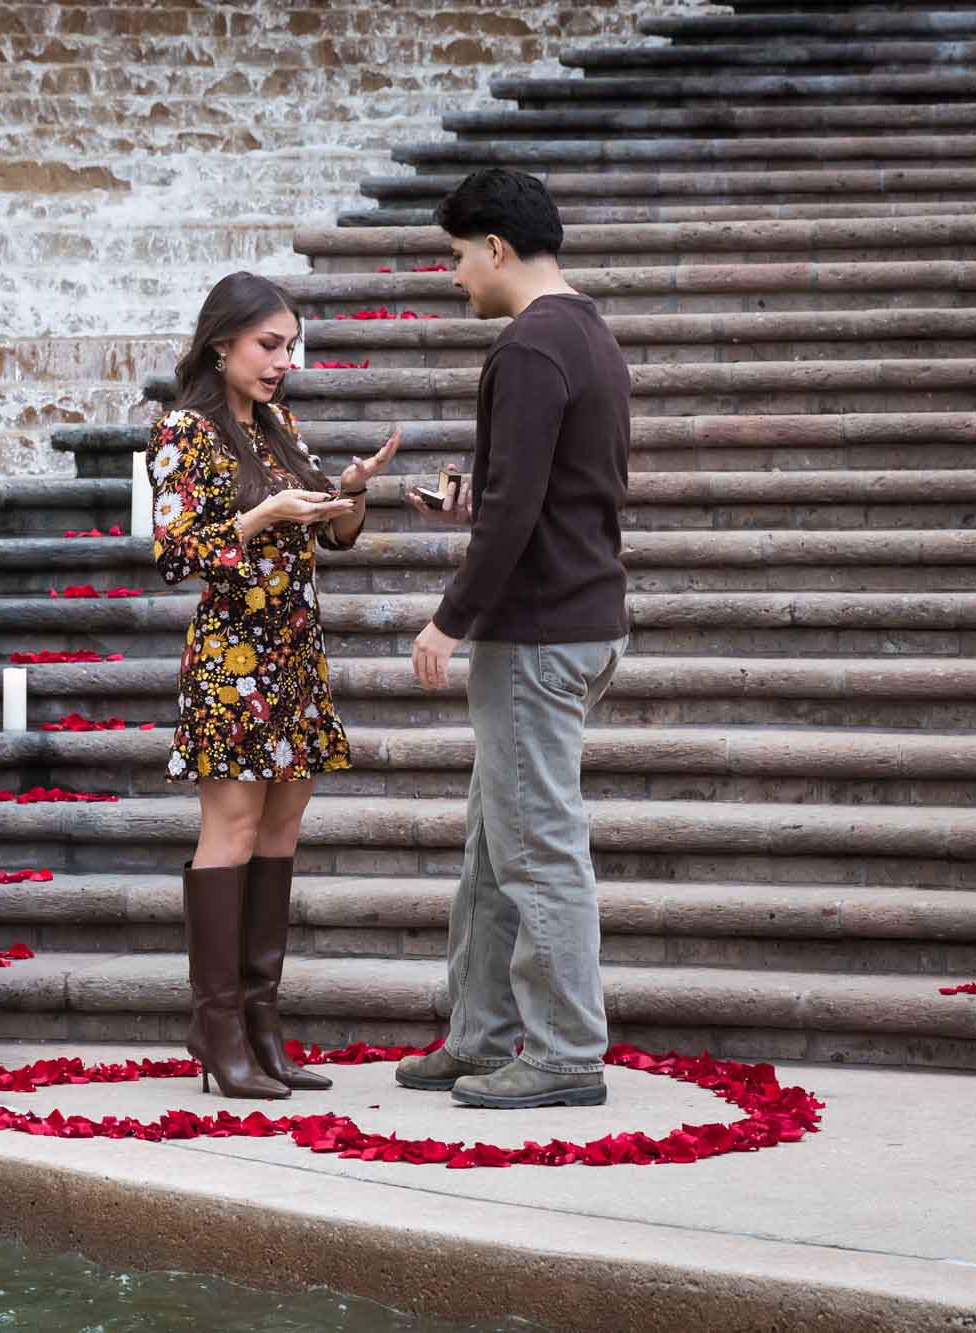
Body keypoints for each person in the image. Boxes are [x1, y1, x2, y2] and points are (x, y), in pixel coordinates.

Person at [394, 168, 632, 1109]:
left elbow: (521, 511)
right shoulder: (589, 334)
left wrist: (448, 618)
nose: (455, 277)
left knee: (536, 848)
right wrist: (471, 494)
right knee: (495, 845)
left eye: (457, 257)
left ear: (496, 248)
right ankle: (481, 1032)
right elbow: (557, 487)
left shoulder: (530, 346)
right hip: (580, 617)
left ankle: (568, 1053)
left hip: (535, 634)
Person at [147, 271, 401, 1099]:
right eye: (267, 345)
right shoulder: (184, 433)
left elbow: (337, 533)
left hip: (293, 655)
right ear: (222, 343)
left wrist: (351, 492)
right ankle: (217, 1028)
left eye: (288, 346)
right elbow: (176, 552)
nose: (281, 360)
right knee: (233, 826)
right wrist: (259, 518)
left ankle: (261, 1021)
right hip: (231, 661)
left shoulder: (280, 425)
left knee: (283, 828)